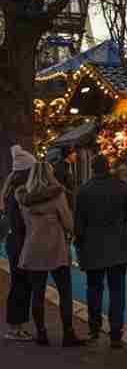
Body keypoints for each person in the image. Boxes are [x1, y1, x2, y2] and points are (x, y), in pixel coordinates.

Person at [74, 154, 127, 349]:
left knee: (94, 289)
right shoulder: (121, 187)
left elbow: (78, 225)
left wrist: (79, 246)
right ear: (108, 168)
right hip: (118, 248)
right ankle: (115, 334)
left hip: (93, 248)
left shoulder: (84, 191)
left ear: (92, 169)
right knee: (117, 291)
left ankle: (94, 328)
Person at [15, 161, 83, 347]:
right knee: (65, 292)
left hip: (33, 249)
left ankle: (41, 334)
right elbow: (68, 223)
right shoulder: (57, 194)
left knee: (37, 293)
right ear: (49, 175)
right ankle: (68, 334)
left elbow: (26, 224)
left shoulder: (23, 198)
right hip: (56, 250)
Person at [2, 145, 36, 341]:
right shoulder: (19, 194)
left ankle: (17, 325)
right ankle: (15, 326)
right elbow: (21, 222)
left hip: (15, 243)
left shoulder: (10, 190)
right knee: (21, 284)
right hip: (20, 243)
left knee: (20, 283)